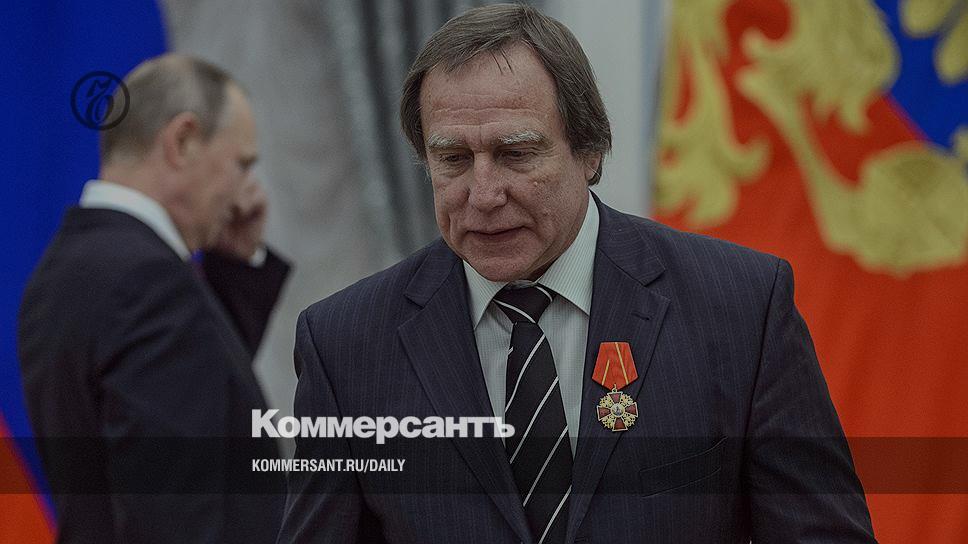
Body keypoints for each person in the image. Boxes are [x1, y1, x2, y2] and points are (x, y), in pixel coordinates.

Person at [278, 4, 875, 543]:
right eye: (453, 159)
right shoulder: (346, 346)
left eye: (516, 154)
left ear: (589, 151)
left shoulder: (740, 309)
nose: (483, 194)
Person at [18, 54, 289, 543]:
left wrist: (236, 264)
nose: (246, 192)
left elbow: (199, 404)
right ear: (183, 141)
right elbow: (177, 512)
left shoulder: (63, 272)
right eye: (241, 164)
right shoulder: (148, 281)